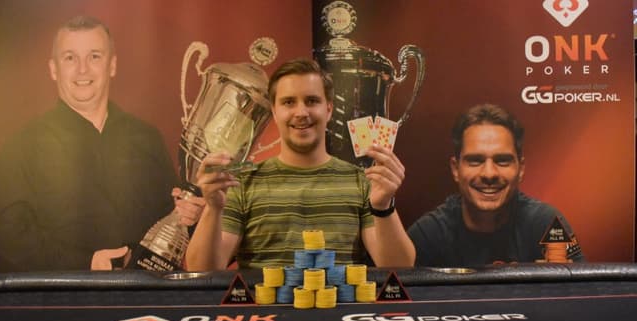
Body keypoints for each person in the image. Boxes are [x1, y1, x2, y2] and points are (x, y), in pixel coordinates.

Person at [0, 16, 203, 272]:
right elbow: (8, 235)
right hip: (62, 294)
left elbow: (172, 221)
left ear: (112, 65)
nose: (82, 69)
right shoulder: (21, 146)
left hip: (143, 291)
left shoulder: (147, 138)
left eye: (94, 56)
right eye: (70, 58)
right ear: (53, 69)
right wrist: (85, 263)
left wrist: (189, 216)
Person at [186, 58, 415, 270]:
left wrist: (383, 206)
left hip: (338, 303)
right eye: (288, 102)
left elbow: (400, 268)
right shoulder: (241, 183)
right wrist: (213, 208)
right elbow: (201, 270)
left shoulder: (361, 182)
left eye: (312, 101)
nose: (301, 112)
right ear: (274, 112)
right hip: (263, 303)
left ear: (329, 109)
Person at [407, 103, 584, 267]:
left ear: (521, 169)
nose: (489, 174)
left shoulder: (546, 223)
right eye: (475, 161)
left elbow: (581, 289)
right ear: (455, 169)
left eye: (502, 161)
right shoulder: (430, 233)